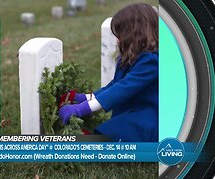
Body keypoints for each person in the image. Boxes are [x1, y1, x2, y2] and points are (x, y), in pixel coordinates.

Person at [58, 3, 158, 142]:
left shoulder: (151, 61)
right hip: (131, 112)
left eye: (121, 35)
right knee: (108, 131)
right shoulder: (132, 57)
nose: (117, 40)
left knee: (110, 136)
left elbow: (123, 89)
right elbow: (115, 84)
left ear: (135, 34)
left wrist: (82, 109)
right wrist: (85, 98)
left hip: (148, 117)